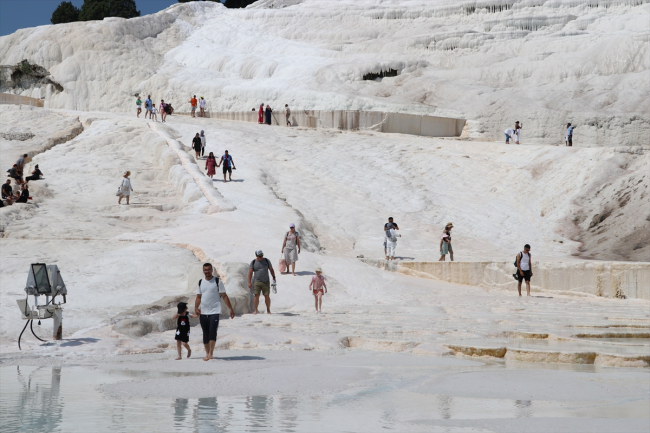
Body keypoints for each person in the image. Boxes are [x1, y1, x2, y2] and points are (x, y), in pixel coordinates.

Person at [195, 263, 236, 361]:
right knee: (205, 333)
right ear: (203, 271)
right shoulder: (200, 282)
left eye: (209, 269)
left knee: (212, 332)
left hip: (214, 311)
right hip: (203, 312)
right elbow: (198, 297)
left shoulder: (217, 281)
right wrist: (196, 307)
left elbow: (224, 296)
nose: (207, 271)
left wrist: (231, 308)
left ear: (212, 270)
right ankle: (207, 353)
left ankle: (210, 353)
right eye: (205, 270)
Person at [247, 250, 277, 315]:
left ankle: (268, 310)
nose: (261, 257)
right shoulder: (253, 262)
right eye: (260, 256)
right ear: (256, 256)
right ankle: (255, 310)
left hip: (266, 281)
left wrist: (274, 277)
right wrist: (249, 282)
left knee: (267, 295)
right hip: (257, 282)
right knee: (256, 295)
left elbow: (271, 269)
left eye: (262, 255)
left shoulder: (266, 260)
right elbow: (250, 273)